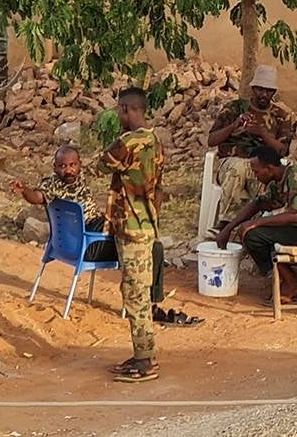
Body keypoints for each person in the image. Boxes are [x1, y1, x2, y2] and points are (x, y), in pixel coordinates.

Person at [99, 87, 165, 383]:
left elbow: (102, 163)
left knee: (136, 296)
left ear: (126, 109)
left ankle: (144, 361)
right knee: (137, 292)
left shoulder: (127, 143)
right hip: (146, 224)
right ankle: (142, 354)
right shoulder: (154, 141)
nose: (118, 115)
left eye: (119, 110)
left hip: (131, 228)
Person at [215, 146, 297, 303]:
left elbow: (295, 215)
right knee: (249, 232)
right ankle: (282, 277)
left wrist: (254, 223)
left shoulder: (296, 176)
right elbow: (257, 204)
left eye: (257, 171)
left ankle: (291, 281)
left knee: (254, 236)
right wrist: (228, 228)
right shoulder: (277, 182)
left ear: (269, 169)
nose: (255, 175)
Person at [206, 65, 295, 234]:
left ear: (273, 92)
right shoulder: (235, 108)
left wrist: (262, 133)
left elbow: (283, 151)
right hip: (231, 162)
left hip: (262, 166)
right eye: (260, 89)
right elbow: (212, 140)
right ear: (253, 88)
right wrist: (234, 126)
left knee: (266, 182)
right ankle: (226, 222)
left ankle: (253, 228)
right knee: (239, 168)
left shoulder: (281, 116)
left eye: (268, 91)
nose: (263, 94)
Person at [10, 146, 115, 262]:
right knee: (123, 230)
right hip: (85, 243)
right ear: (55, 167)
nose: (68, 170)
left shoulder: (80, 179)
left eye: (73, 165)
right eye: (62, 166)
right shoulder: (53, 185)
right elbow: (37, 197)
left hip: (87, 237)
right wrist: (24, 190)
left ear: (80, 165)